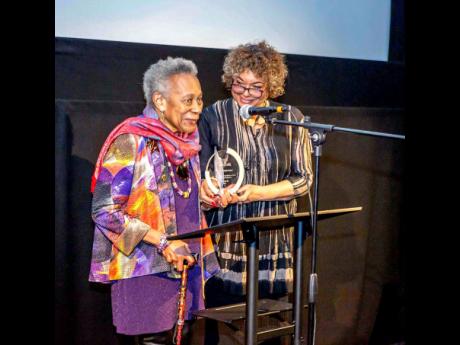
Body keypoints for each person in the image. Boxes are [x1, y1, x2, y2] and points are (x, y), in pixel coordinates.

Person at [89, 57, 219, 345]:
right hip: (145, 272)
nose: (197, 108)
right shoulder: (130, 140)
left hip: (188, 263)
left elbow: (179, 200)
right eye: (188, 100)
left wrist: (207, 197)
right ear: (160, 101)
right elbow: (103, 210)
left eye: (199, 99)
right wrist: (161, 242)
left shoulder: (187, 143)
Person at [198, 41, 313, 344]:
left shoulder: (290, 118)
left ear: (271, 87)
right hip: (226, 243)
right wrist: (207, 192)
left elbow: (303, 181)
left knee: (270, 332)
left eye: (255, 87)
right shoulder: (213, 116)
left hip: (273, 245)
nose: (245, 93)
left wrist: (258, 192)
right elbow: (201, 175)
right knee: (222, 331)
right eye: (239, 84)